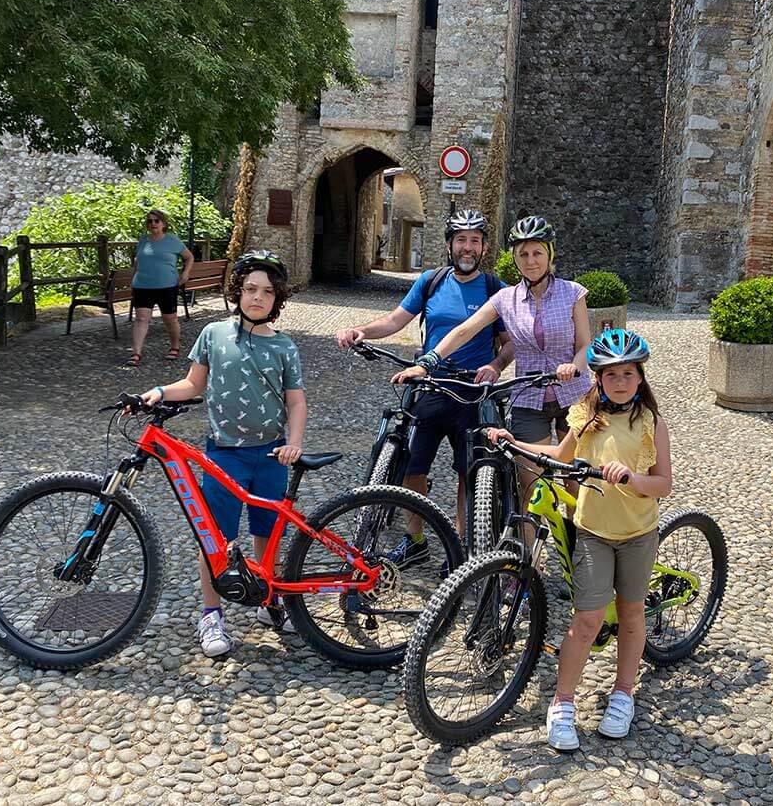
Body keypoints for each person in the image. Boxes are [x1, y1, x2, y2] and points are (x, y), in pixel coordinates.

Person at [487, 329, 672, 751]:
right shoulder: (586, 416)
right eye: (611, 375)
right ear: (599, 379)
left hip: (638, 534)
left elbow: (664, 484)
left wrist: (632, 477)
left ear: (640, 378)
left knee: (630, 614)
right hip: (593, 532)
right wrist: (514, 442)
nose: (620, 381)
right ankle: (563, 702)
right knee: (586, 620)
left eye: (628, 373)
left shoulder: (651, 424)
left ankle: (623, 693)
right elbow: (559, 455)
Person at [137, 250, 306, 657]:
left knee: (267, 533)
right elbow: (193, 384)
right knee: (216, 539)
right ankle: (211, 614)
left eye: (267, 292)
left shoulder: (284, 347)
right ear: (237, 292)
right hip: (224, 454)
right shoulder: (213, 334)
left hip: (270, 455)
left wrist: (294, 442)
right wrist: (159, 392)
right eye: (250, 289)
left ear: (277, 299)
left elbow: (296, 402)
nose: (257, 298)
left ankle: (268, 597)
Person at [335, 209, 514, 564]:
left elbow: (510, 343)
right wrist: (361, 331)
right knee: (411, 467)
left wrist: (495, 364)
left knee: (471, 470)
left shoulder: (496, 290)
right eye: (461, 240)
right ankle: (415, 539)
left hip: (471, 391)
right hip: (430, 384)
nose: (468, 247)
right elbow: (395, 320)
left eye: (474, 241)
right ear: (449, 245)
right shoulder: (431, 281)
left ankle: (463, 545)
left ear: (484, 247)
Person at [394, 215, 592, 481]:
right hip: (529, 397)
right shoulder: (504, 298)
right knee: (530, 482)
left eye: (537, 253)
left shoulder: (573, 293)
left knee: (575, 479)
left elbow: (584, 345)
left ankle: (572, 525)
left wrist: (574, 367)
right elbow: (465, 330)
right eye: (523, 254)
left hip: (574, 393)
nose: (531, 261)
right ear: (514, 258)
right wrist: (428, 361)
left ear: (549, 255)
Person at [127, 207, 195, 367]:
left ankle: (175, 346)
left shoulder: (172, 240)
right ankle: (136, 352)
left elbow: (189, 257)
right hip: (142, 286)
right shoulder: (143, 240)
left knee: (169, 319)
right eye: (149, 221)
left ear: (163, 224)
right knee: (141, 319)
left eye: (156, 220)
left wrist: (185, 274)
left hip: (167, 286)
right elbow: (138, 260)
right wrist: (134, 277)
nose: (153, 224)